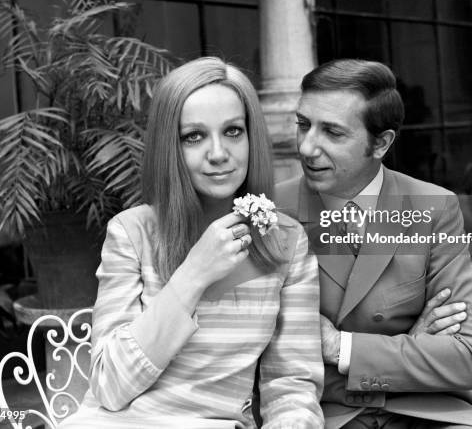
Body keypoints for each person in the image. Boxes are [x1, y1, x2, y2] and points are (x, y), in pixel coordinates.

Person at [61, 57, 324, 428]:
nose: (218, 153)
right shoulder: (132, 233)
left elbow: (291, 386)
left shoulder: (284, 241)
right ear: (171, 147)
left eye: (233, 131)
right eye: (194, 136)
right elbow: (109, 386)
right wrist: (193, 275)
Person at [275, 59, 472, 429]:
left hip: (427, 412)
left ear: (382, 143)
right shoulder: (272, 211)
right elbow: (264, 348)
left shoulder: (434, 207)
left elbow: (466, 359)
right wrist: (412, 345)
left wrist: (338, 346)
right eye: (303, 125)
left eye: (333, 133)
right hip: (321, 414)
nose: (307, 148)